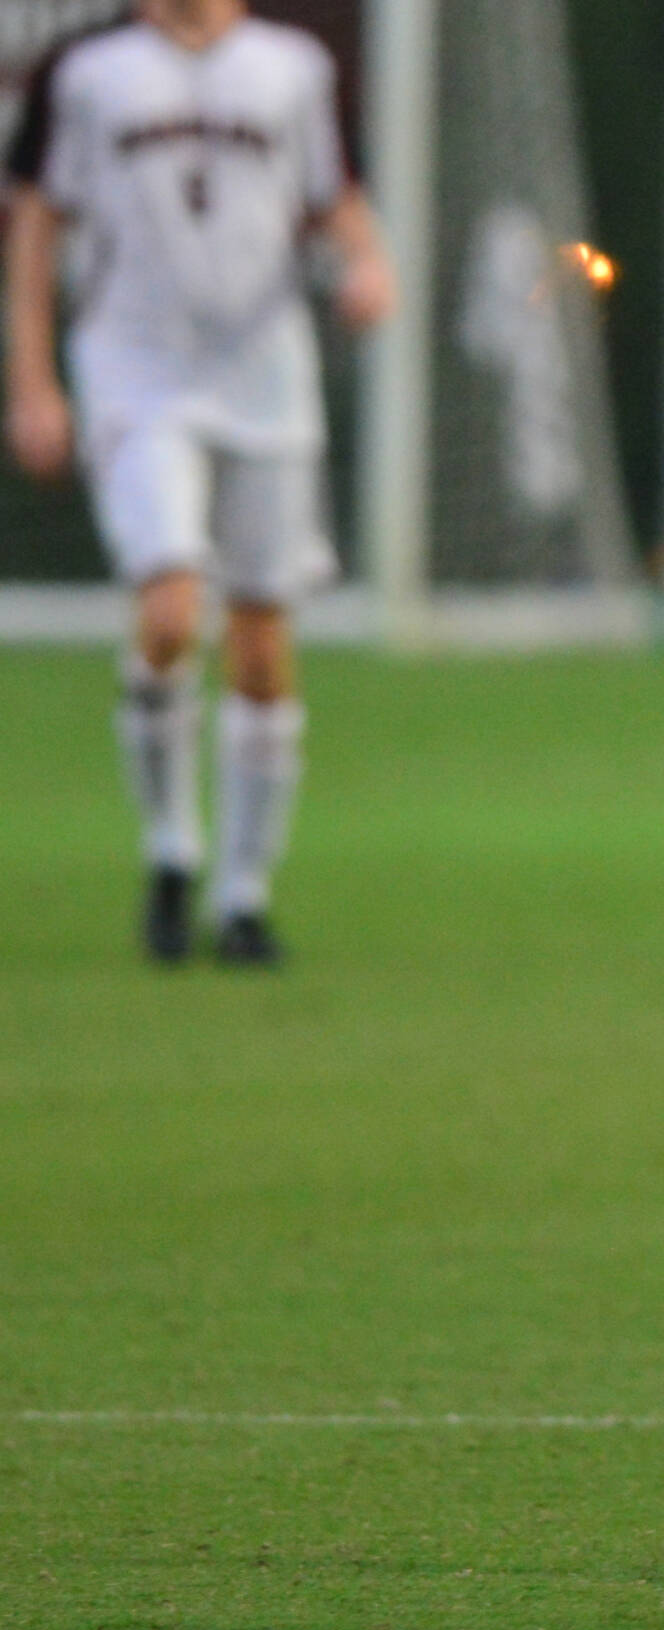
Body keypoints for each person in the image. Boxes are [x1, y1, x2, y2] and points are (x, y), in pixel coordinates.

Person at [5, 0, 394, 964]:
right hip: (136, 368)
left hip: (263, 372)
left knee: (262, 641)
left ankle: (244, 896)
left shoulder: (291, 67)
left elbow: (331, 196)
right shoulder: (87, 72)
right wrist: (33, 380)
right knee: (173, 611)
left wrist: (367, 261)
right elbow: (36, 226)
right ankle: (172, 848)